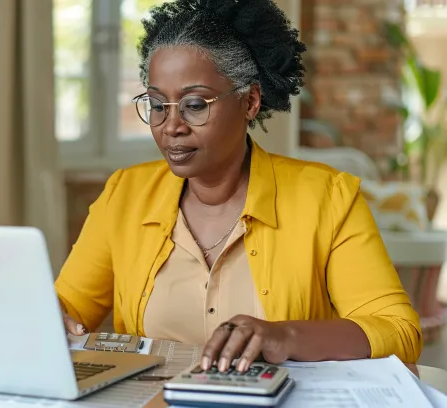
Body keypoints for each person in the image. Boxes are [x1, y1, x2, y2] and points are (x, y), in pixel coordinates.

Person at [55, 0, 422, 373]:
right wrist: (50, 316)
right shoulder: (125, 195)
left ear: (249, 101)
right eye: (157, 104)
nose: (172, 125)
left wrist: (284, 336)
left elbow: (398, 330)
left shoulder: (328, 198)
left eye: (195, 104)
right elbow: (66, 306)